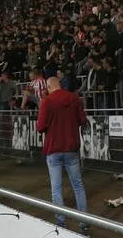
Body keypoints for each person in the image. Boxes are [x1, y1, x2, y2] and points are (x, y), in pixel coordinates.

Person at [36, 76, 89, 234]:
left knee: (56, 189)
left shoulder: (47, 101)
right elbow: (82, 120)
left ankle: (61, 223)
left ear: (48, 86)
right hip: (71, 148)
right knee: (78, 186)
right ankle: (84, 222)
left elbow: (40, 127)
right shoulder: (74, 98)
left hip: (54, 149)